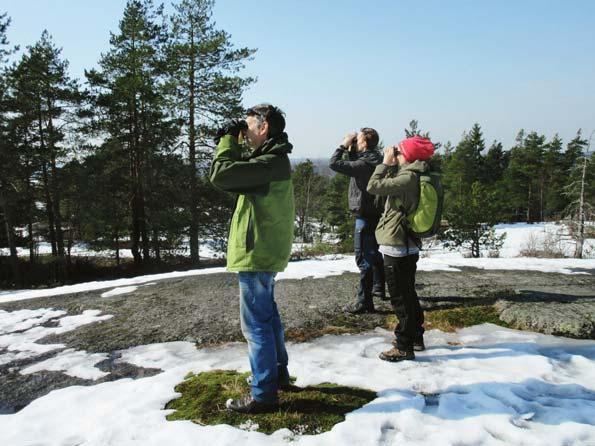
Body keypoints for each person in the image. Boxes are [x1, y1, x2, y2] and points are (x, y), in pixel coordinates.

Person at [209, 103, 294, 413]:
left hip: (257, 252)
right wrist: (231, 139)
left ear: (264, 128)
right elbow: (234, 173)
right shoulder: (271, 159)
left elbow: (220, 174)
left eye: (247, 128)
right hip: (264, 251)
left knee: (255, 325)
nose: (244, 135)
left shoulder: (269, 163)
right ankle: (277, 376)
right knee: (268, 318)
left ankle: (263, 394)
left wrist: (226, 140)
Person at [366, 136, 435, 362]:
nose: (396, 153)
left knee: (399, 298)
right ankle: (416, 337)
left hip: (396, 243)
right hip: (408, 243)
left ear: (409, 155)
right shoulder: (415, 174)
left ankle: (404, 346)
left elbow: (373, 186)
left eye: (400, 151)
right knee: (408, 293)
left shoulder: (407, 177)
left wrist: (385, 164)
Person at [329, 128, 386, 314]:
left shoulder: (364, 164)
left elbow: (334, 163)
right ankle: (378, 287)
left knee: (363, 258)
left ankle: (364, 301)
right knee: (374, 253)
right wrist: (353, 150)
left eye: (358, 139)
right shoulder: (375, 159)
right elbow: (356, 163)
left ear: (364, 143)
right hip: (376, 213)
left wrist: (343, 144)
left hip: (364, 215)